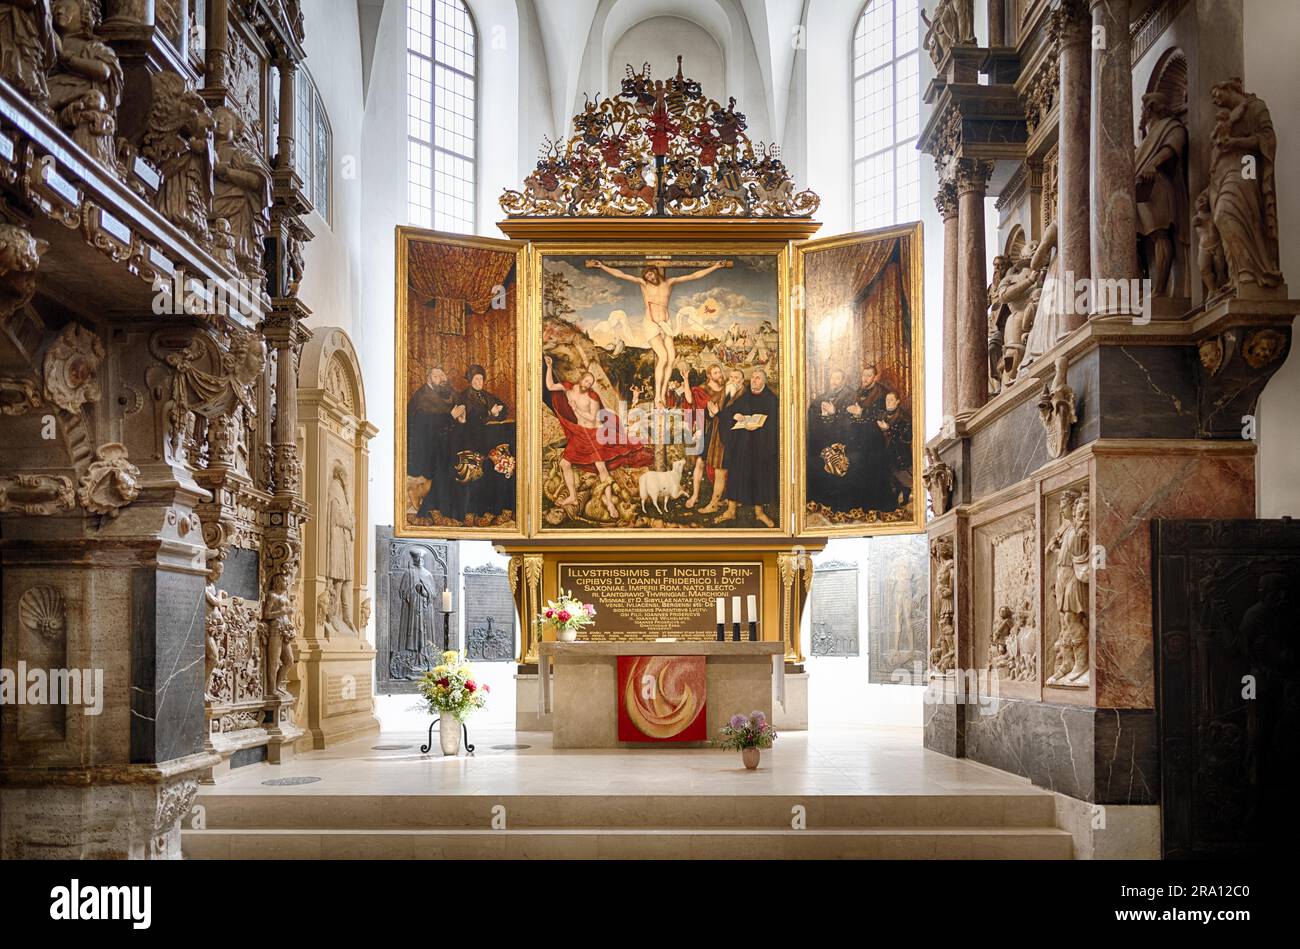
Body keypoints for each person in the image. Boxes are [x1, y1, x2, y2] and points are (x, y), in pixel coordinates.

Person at [590, 260, 725, 406]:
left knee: (671, 357)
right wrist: (602, 266)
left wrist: (716, 266)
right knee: (663, 356)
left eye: (651, 274)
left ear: (655, 271)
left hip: (666, 323)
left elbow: (694, 276)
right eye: (647, 277)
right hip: (651, 323)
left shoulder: (669, 282)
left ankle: (662, 393)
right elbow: (621, 275)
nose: (651, 278)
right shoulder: (644, 284)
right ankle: (657, 397)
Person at [544, 354, 651, 519]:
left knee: (602, 468)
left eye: (590, 383)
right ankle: (573, 496)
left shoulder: (592, 396)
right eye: (586, 381)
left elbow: (592, 418)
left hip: (593, 434)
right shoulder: (567, 387)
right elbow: (550, 386)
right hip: (580, 434)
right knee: (564, 464)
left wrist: (576, 409)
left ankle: (609, 502)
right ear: (580, 379)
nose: (587, 384)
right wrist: (550, 367)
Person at [717, 368, 779, 527]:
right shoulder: (743, 395)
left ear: (764, 381)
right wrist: (735, 415)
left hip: (760, 445)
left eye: (758, 378)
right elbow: (730, 410)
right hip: (742, 443)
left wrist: (759, 427)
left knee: (758, 477)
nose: (754, 380)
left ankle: (759, 513)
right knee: (736, 474)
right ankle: (731, 510)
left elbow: (775, 425)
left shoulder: (771, 399)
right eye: (752, 378)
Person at [455, 363, 509, 517]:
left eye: (481, 379)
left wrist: (498, 413)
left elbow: (504, 408)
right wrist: (490, 414)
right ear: (470, 380)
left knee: (498, 466)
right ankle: (476, 511)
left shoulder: (487, 395)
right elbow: (471, 421)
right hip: (472, 441)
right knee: (478, 474)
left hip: (489, 440)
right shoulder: (463, 397)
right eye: (476, 379)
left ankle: (493, 509)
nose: (479, 382)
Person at [407, 367, 459, 520]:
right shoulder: (422, 396)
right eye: (437, 376)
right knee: (445, 465)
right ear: (428, 379)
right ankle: (434, 508)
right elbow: (428, 424)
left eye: (443, 375)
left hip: (441, 441)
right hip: (424, 447)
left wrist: (460, 418)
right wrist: (450, 416)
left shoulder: (444, 393)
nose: (442, 378)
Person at [699, 367, 747, 514]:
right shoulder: (725, 391)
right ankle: (726, 501)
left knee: (725, 472)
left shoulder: (744, 396)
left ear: (742, 381)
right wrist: (711, 414)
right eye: (731, 377)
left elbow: (733, 417)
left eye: (736, 378)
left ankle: (715, 504)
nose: (733, 380)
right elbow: (712, 412)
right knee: (721, 472)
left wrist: (718, 413)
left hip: (733, 440)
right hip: (719, 438)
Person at [683, 363, 727, 509]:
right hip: (708, 429)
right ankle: (695, 495)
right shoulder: (703, 389)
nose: (719, 375)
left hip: (722, 430)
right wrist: (685, 379)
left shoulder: (726, 389)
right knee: (700, 463)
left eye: (719, 372)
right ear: (709, 376)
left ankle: (721, 496)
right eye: (715, 373)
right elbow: (689, 400)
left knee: (721, 464)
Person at [871, 390, 913, 509]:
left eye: (891, 400)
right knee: (884, 474)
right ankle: (900, 490)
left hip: (898, 452)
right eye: (887, 400)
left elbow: (906, 437)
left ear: (898, 401)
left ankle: (902, 491)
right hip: (883, 450)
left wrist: (888, 429)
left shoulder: (904, 417)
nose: (888, 403)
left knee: (895, 473)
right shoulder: (881, 415)